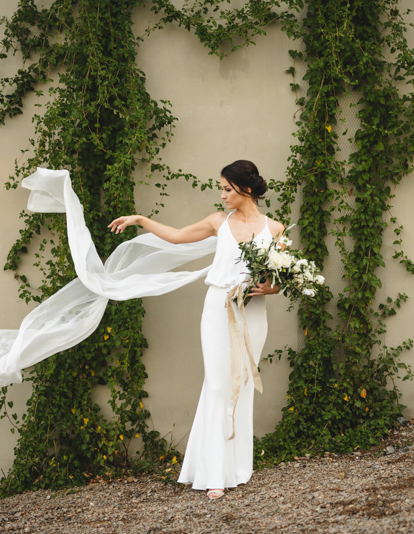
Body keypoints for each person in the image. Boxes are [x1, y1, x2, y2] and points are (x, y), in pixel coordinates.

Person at [108, 160, 285, 500]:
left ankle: (236, 467)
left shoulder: (275, 229)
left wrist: (272, 288)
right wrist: (140, 220)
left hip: (253, 313)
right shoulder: (219, 221)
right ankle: (213, 473)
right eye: (221, 188)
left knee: (242, 385)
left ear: (246, 190)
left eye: (227, 189)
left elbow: (279, 276)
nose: (222, 195)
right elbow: (176, 237)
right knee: (220, 385)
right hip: (218, 309)